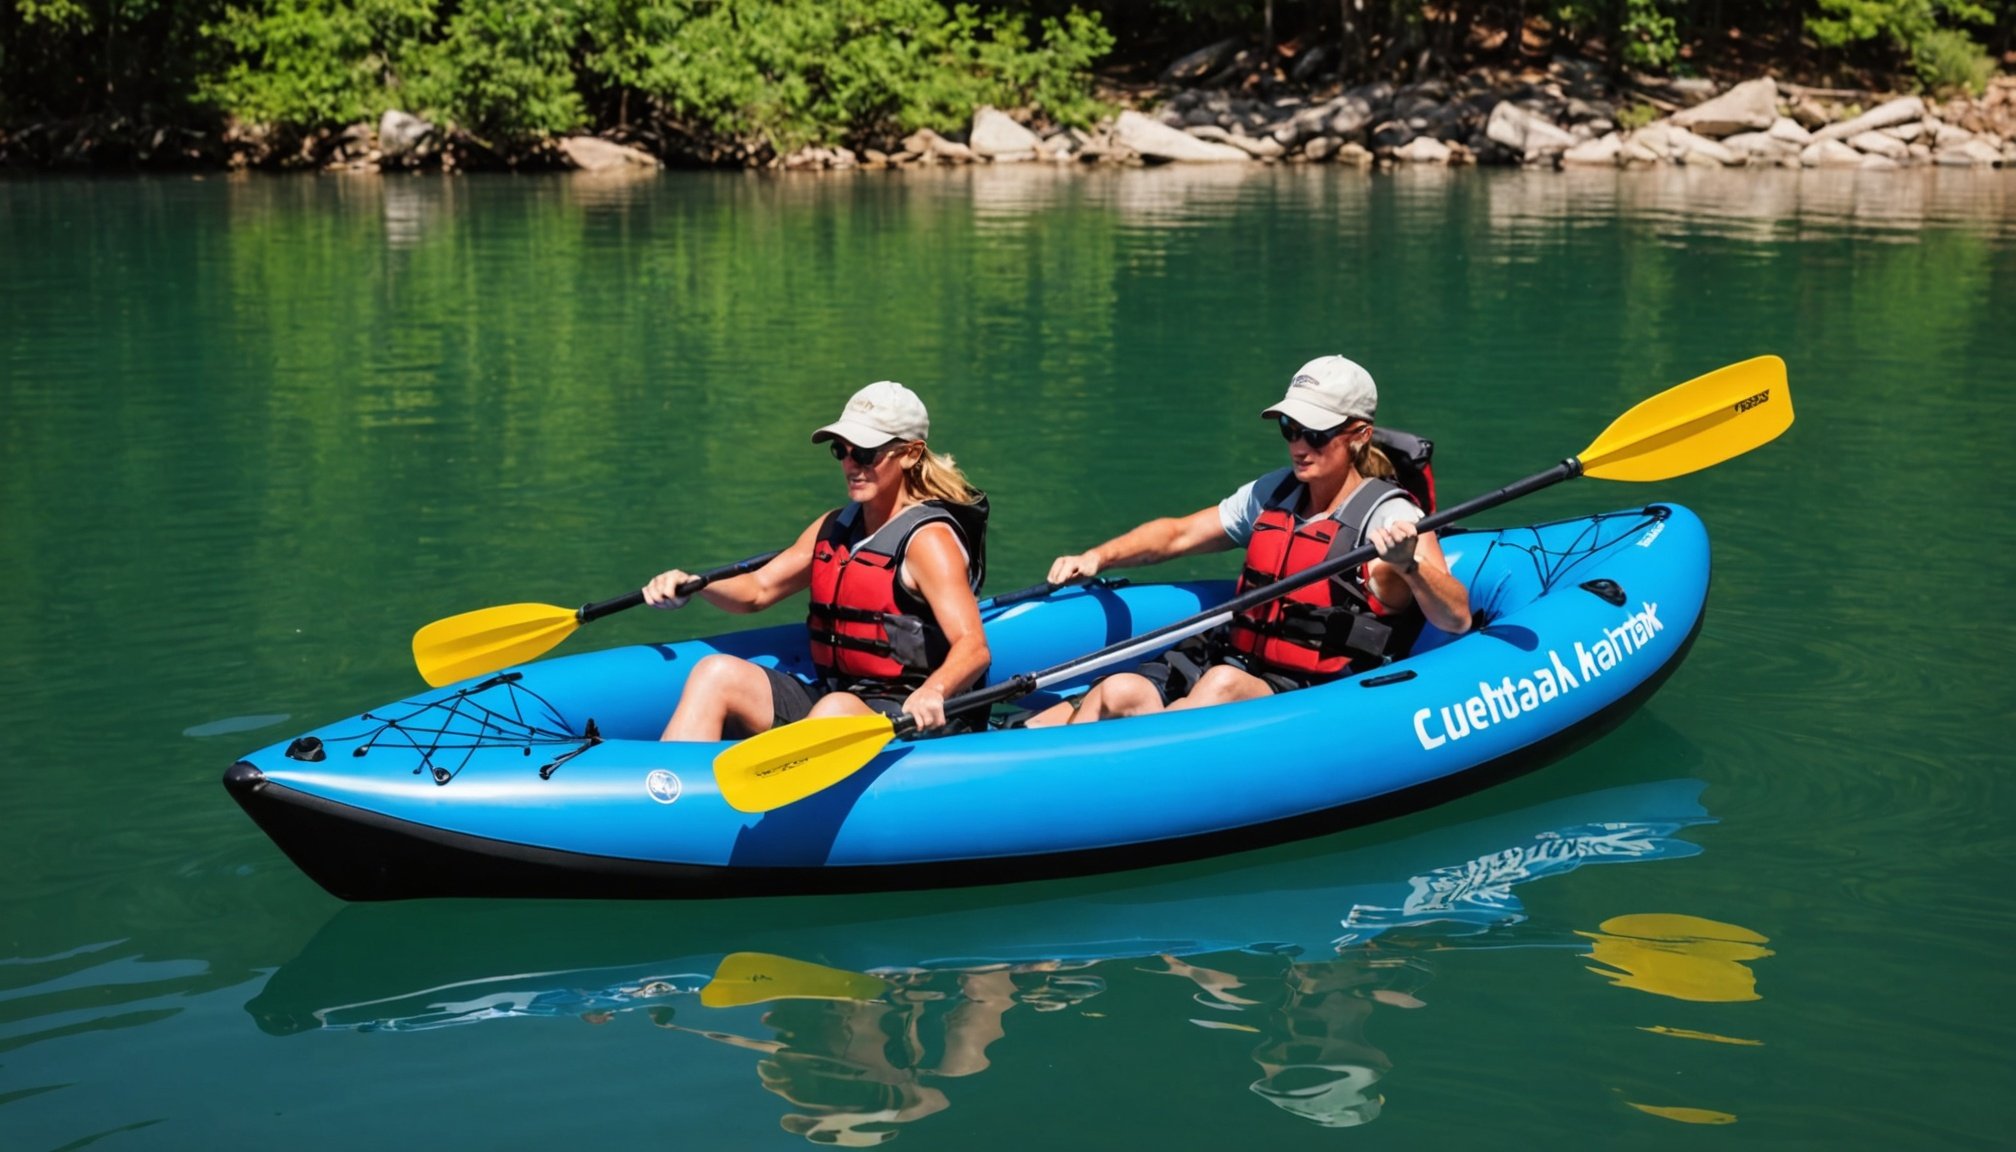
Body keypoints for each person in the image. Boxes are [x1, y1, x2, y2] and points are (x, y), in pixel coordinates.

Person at [1026, 356, 1469, 727]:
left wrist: (1410, 566)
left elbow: (1456, 618)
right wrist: (1099, 556)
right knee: (1121, 689)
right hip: (1236, 658)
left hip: (1312, 692)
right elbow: (1179, 534)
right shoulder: (1274, 493)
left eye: (1316, 434)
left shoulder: (1391, 517)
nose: (1299, 446)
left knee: (1222, 685)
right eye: (1290, 428)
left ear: (1360, 435)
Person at [647, 381, 990, 741]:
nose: (851, 464)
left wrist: (934, 690)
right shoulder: (834, 527)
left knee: (835, 709)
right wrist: (696, 584)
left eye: (866, 453)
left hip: (907, 713)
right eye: (841, 450)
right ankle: (671, 777)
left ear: (910, 454)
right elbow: (758, 590)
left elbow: (973, 646)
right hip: (835, 699)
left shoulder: (928, 541)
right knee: (715, 673)